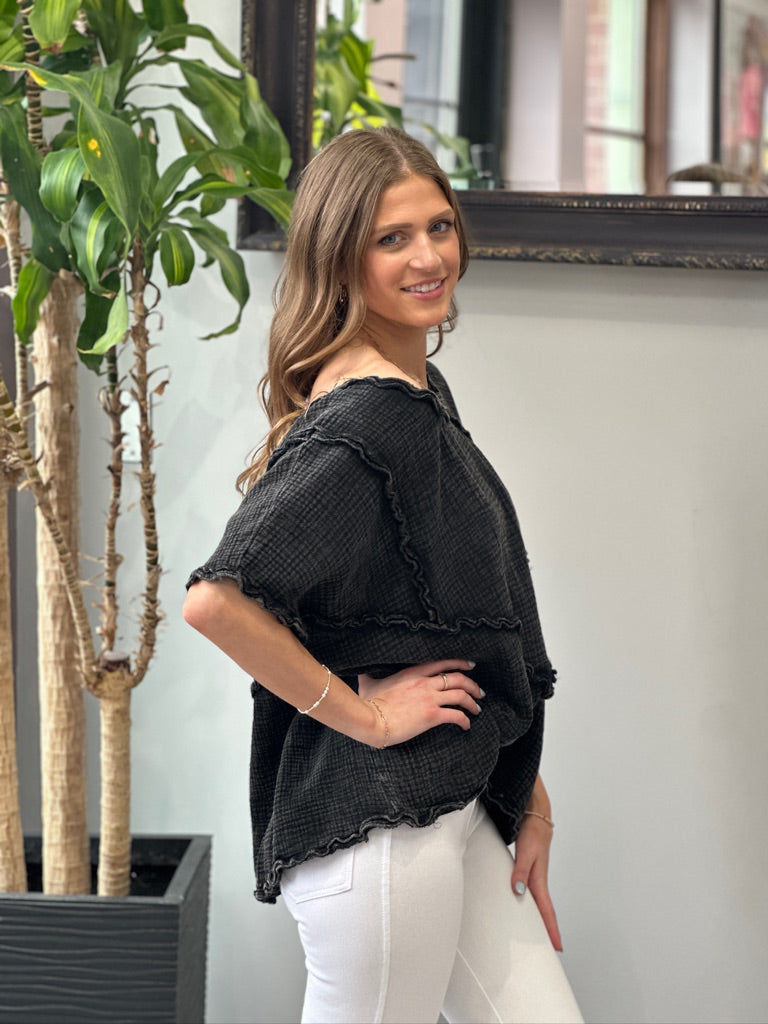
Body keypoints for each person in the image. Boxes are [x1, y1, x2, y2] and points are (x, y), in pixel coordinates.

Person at [184, 127, 583, 1024]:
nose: (429, 257)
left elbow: (449, 618)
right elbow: (216, 601)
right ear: (341, 260)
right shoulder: (369, 419)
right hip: (381, 833)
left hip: (450, 800)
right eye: (391, 238)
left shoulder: (418, 393)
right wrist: (366, 715)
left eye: (438, 226)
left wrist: (526, 790)